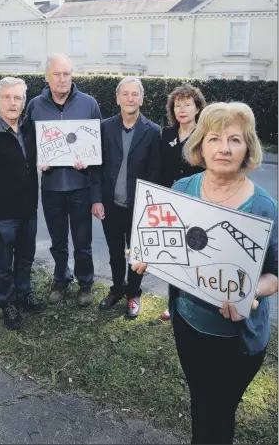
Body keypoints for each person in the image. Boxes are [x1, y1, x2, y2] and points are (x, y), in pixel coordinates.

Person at [131, 102, 278, 444]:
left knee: (221, 411)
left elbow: (275, 273)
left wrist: (251, 290)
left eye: (234, 140)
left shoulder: (264, 207)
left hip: (237, 338)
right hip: (188, 322)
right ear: (200, 145)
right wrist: (148, 255)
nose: (224, 148)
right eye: (214, 139)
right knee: (200, 399)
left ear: (248, 148)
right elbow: (174, 249)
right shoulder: (183, 191)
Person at [26, 53, 104, 307]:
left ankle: (85, 283)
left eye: (67, 74)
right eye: (56, 74)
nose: (62, 79)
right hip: (51, 187)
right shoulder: (35, 106)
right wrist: (37, 159)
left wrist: (89, 160)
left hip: (80, 185)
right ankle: (61, 279)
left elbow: (97, 145)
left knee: (83, 242)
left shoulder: (89, 103)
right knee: (58, 241)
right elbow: (28, 143)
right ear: (47, 77)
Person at [0, 77, 46, 330]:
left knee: (25, 258)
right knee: (2, 264)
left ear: (24, 101)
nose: (12, 102)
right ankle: (7, 303)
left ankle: (23, 294)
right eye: (7, 97)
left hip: (28, 210)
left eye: (18, 97)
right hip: (1, 215)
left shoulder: (30, 127)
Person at [99, 76, 161, 319]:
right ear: (117, 98)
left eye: (135, 94)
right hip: (111, 204)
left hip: (139, 208)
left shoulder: (153, 131)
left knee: (137, 254)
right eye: (125, 93)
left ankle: (133, 294)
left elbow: (155, 172)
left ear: (142, 98)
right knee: (115, 251)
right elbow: (98, 167)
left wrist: (150, 209)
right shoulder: (105, 127)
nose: (130, 98)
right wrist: (97, 200)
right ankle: (116, 289)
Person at [160, 83, 206, 320]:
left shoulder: (205, 136)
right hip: (170, 206)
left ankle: (195, 305)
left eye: (187, 104)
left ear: (197, 108)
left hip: (197, 206)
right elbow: (160, 169)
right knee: (173, 256)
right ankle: (172, 303)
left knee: (196, 256)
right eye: (177, 105)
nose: (182, 110)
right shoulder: (166, 134)